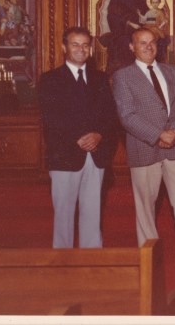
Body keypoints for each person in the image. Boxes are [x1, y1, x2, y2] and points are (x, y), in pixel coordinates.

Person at [112, 28, 175, 258]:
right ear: (132, 47)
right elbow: (126, 115)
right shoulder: (123, 76)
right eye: (142, 43)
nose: (148, 47)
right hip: (144, 146)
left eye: (152, 42)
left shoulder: (171, 70)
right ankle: (149, 250)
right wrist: (158, 134)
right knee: (146, 204)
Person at [38, 27, 118, 248]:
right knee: (63, 214)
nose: (81, 49)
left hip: (96, 155)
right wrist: (78, 138)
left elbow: (110, 114)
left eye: (85, 45)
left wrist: (98, 135)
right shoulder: (50, 79)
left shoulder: (100, 79)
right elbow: (51, 118)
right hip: (65, 156)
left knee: (93, 211)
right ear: (64, 47)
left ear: (90, 49)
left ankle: (91, 257)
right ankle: (63, 259)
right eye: (75, 44)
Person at [105, 0, 169, 73]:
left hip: (143, 27)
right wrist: (129, 23)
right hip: (124, 30)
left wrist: (154, 19)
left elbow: (150, 11)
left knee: (159, 40)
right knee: (125, 43)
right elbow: (113, 15)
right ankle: (127, 73)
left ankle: (154, 71)